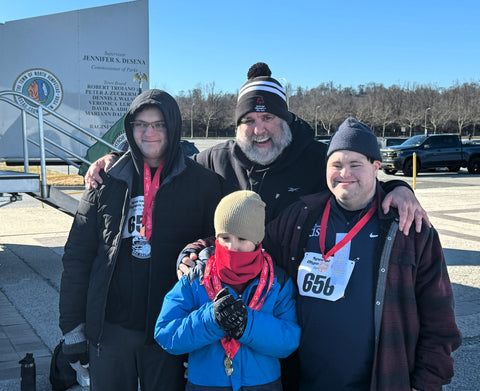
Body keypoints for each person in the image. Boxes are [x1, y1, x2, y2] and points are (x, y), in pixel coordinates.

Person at [84, 63, 429, 277]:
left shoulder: (315, 159)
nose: (259, 129)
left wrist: (400, 189)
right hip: (228, 294)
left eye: (268, 118)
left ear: (285, 120)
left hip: (297, 298)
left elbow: (356, 180)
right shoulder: (213, 161)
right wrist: (116, 160)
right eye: (248, 120)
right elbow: (164, 168)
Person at [263, 118, 461, 391]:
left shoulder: (409, 228)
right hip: (306, 380)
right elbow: (250, 247)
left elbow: (439, 319)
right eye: (336, 165)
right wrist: (203, 249)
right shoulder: (300, 217)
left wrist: (426, 383)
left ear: (376, 167)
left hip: (383, 380)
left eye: (355, 164)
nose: (345, 173)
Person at [59, 89, 223, 391]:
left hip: (171, 327)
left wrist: (202, 250)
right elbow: (77, 256)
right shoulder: (105, 179)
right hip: (110, 329)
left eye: (159, 124)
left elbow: (220, 244)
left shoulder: (204, 183)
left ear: (173, 128)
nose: (149, 133)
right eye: (140, 124)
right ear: (129, 128)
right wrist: (72, 330)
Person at [155, 190, 301, 390]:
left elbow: (290, 340)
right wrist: (210, 320)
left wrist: (248, 325)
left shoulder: (277, 281)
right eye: (225, 238)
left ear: (258, 240)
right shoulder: (196, 277)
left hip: (262, 384)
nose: (233, 247)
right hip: (206, 384)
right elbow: (165, 333)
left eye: (242, 238)